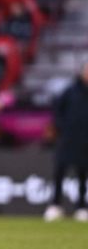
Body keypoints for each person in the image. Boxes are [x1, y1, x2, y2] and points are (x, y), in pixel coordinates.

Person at [44, 62, 88, 222]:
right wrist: (63, 127)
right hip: (68, 139)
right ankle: (55, 205)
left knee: (82, 175)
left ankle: (82, 207)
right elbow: (57, 111)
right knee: (60, 172)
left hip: (85, 141)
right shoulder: (70, 91)